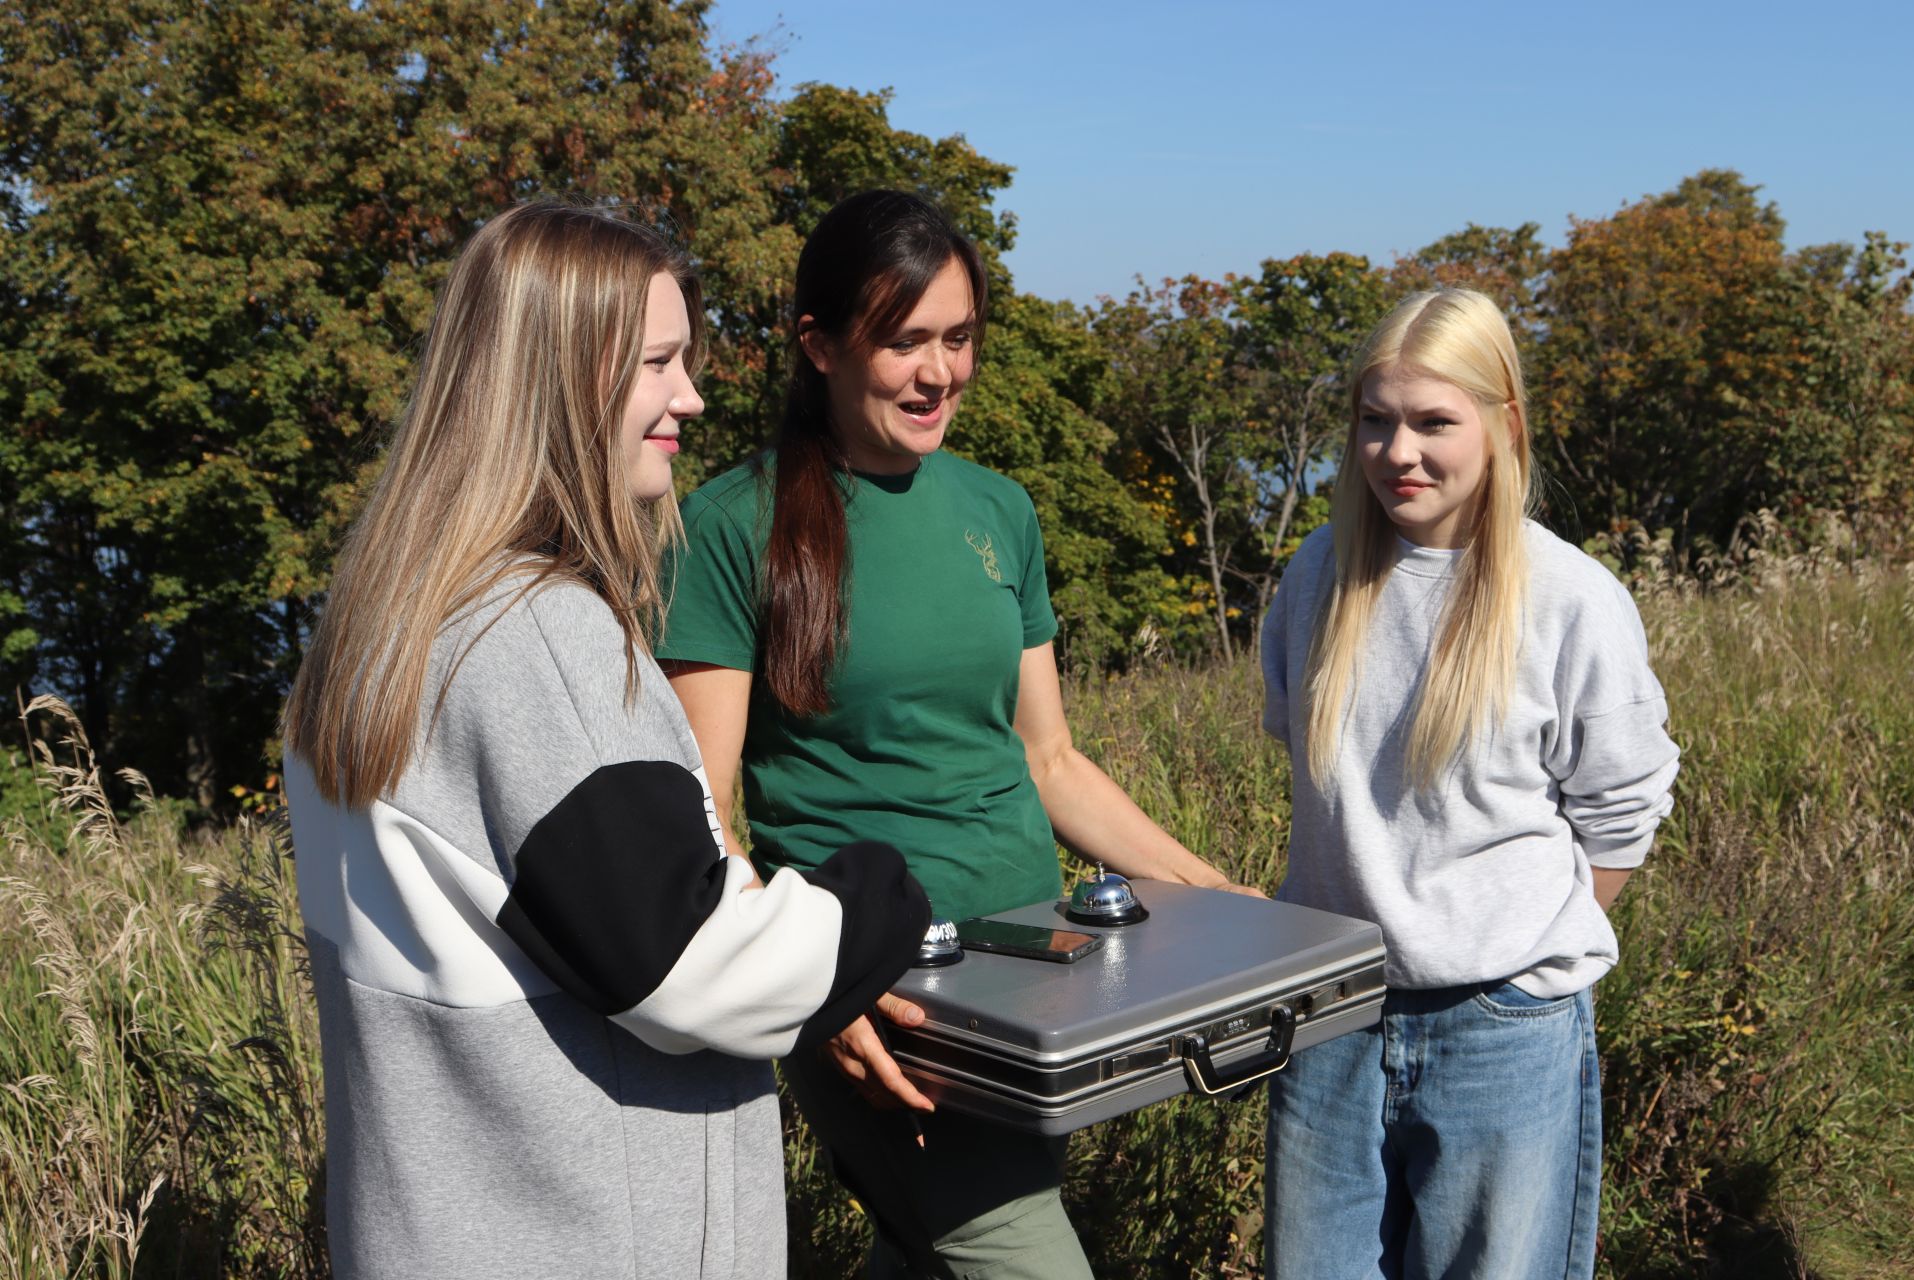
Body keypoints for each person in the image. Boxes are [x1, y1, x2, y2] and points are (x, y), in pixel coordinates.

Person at [280, 200, 930, 1280]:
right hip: (587, 1236)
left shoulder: (377, 627)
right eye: (660, 363)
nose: (692, 395)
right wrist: (876, 894)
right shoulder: (534, 633)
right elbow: (691, 964)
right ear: (562, 378)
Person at [660, 189, 1258, 1280]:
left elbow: (1050, 759)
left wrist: (1212, 892)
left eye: (959, 337)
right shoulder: (731, 525)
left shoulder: (999, 510)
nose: (941, 372)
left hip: (1035, 975)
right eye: (905, 341)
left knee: (927, 1247)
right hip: (880, 997)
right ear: (821, 344)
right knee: (1013, 1251)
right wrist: (815, 985)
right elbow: (706, 811)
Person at [1257, 288, 1680, 1279]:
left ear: (1502, 425)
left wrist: (1519, 941)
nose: (1398, 451)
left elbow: (1623, 810)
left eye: (1433, 421)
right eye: (1375, 420)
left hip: (1502, 1025)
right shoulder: (1316, 576)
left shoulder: (1569, 597)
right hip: (1330, 1011)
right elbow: (1306, 760)